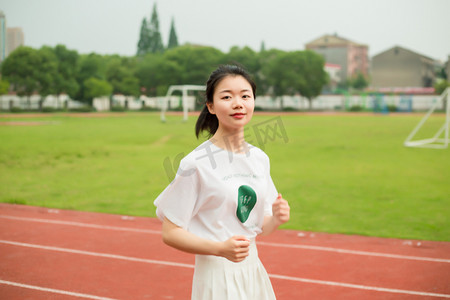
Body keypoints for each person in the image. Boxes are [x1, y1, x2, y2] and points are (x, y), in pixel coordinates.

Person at [154, 64, 290, 300]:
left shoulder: (259, 159)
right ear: (211, 106)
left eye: (245, 96)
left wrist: (276, 218)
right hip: (216, 275)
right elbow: (171, 232)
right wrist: (220, 249)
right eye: (227, 97)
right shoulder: (195, 164)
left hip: (253, 270)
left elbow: (259, 226)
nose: (238, 103)